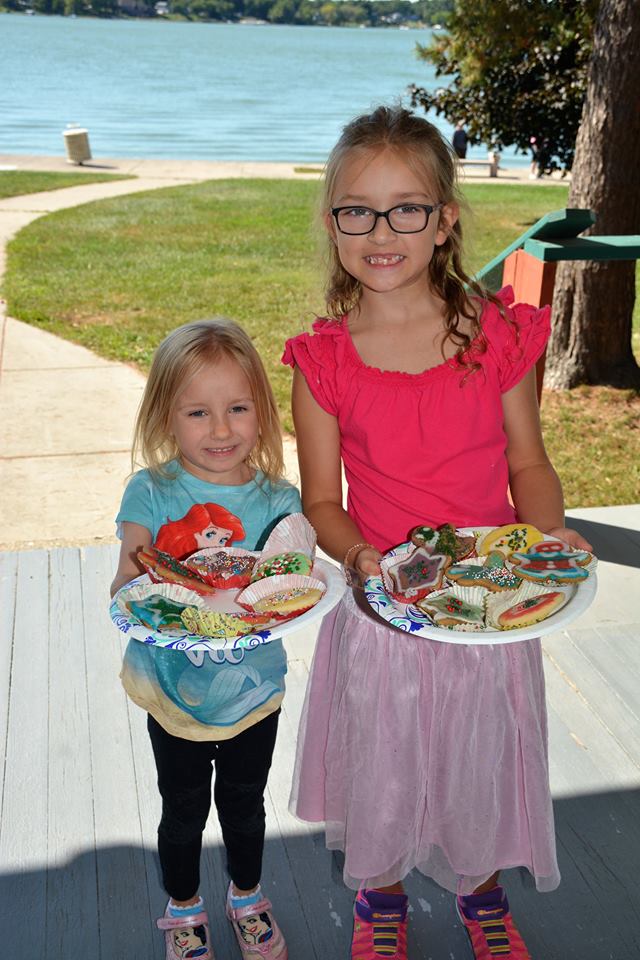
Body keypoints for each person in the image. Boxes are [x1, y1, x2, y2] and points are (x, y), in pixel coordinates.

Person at [282, 105, 592, 960]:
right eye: (358, 210)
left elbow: (528, 464)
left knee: (479, 762)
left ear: (445, 219)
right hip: (386, 616)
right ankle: (380, 898)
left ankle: (481, 890)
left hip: (488, 612)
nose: (382, 231)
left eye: (407, 207)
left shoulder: (496, 339)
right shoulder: (325, 363)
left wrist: (550, 534)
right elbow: (321, 501)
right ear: (333, 221)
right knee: (384, 764)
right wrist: (358, 556)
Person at [111, 318, 299, 960]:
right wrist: (146, 582)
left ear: (262, 411)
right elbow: (125, 581)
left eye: (238, 408)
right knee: (183, 809)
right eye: (198, 412)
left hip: (253, 690)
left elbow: (293, 583)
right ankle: (183, 905)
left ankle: (247, 896)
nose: (221, 430)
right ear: (167, 415)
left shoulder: (279, 499)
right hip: (175, 690)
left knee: (246, 807)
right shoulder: (153, 490)